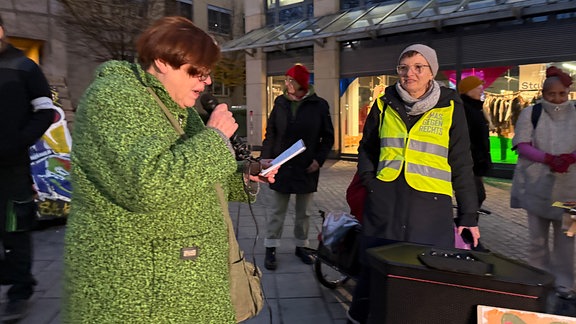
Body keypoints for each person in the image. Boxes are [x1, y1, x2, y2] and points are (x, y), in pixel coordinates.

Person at [62, 17, 276, 323]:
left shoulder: (175, 107)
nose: (207, 83)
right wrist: (215, 139)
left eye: (208, 73)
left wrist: (243, 173)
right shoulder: (113, 99)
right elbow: (147, 184)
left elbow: (189, 171)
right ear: (162, 62)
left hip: (178, 282)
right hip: (142, 293)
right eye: (196, 73)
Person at [347, 44, 480, 324]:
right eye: (404, 68)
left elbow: (462, 161)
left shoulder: (450, 106)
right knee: (375, 271)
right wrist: (372, 184)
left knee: (424, 275)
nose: (410, 74)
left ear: (431, 71)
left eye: (419, 67)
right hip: (386, 204)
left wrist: (469, 215)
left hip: (430, 209)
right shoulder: (384, 103)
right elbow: (367, 148)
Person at [0, 15, 56, 321]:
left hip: (11, 167)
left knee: (14, 228)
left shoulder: (24, 67)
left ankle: (19, 291)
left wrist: (17, 142)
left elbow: (45, 112)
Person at [510, 66, 576, 300]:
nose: (557, 99)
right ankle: (538, 277)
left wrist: (570, 158)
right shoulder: (531, 113)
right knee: (536, 240)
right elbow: (522, 144)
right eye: (552, 94)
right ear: (543, 93)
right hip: (536, 188)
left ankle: (566, 283)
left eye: (562, 94)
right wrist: (548, 159)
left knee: (568, 241)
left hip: (571, 193)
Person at [261, 63, 335, 270]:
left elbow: (328, 137)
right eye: (286, 80)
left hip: (306, 166)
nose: (286, 84)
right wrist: (265, 160)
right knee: (277, 210)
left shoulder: (319, 105)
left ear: (302, 83)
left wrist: (318, 160)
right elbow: (271, 134)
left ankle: (301, 246)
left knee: (305, 212)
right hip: (281, 165)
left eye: (290, 80)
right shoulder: (280, 103)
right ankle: (271, 247)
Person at [457, 76, 492, 216]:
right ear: (468, 90)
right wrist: (476, 158)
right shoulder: (466, 110)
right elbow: (465, 137)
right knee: (474, 197)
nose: (481, 89)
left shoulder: (476, 108)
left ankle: (467, 228)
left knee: (474, 197)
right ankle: (466, 230)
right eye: (478, 87)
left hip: (475, 162)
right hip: (470, 162)